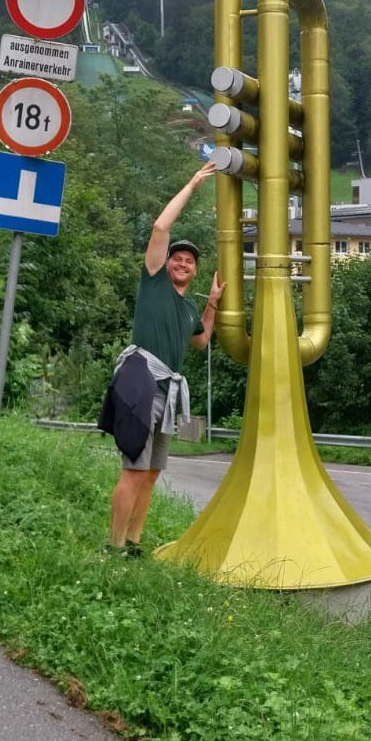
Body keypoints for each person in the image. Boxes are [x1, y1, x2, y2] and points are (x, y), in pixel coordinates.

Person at [106, 162, 224, 554]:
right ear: (167, 262)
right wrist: (192, 184)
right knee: (133, 469)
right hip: (141, 384)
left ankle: (134, 543)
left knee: (152, 473)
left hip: (167, 394)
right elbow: (160, 227)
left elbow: (201, 341)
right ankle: (114, 546)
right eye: (178, 258)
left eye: (189, 261)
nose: (182, 263)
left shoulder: (189, 307)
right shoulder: (154, 281)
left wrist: (213, 304)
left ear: (195, 270)